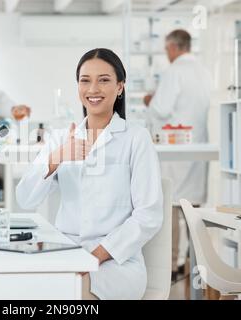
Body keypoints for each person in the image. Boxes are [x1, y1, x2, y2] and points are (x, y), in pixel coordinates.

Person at [16, 48, 163, 300]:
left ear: (120, 87)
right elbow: (25, 199)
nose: (93, 89)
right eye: (85, 80)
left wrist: (93, 258)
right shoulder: (61, 139)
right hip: (65, 252)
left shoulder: (136, 138)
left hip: (116, 261)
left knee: (72, 292)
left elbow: (148, 215)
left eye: (104, 80)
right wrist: (57, 157)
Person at [143, 29, 211, 281]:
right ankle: (196, 264)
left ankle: (170, 265)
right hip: (198, 148)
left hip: (175, 146)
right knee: (192, 208)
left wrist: (150, 99)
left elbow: (161, 109)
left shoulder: (174, 71)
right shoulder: (203, 71)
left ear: (172, 47)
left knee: (170, 205)